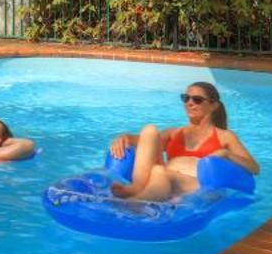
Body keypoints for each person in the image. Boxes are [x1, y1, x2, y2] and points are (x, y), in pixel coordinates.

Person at [106, 81, 260, 202]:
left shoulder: (224, 136)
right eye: (185, 98)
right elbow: (146, 143)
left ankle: (136, 203)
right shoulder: (175, 133)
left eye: (197, 100)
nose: (189, 103)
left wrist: (226, 153)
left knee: (161, 172)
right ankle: (136, 188)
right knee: (149, 130)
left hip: (196, 186)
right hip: (161, 177)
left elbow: (254, 168)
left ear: (213, 106)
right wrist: (125, 137)